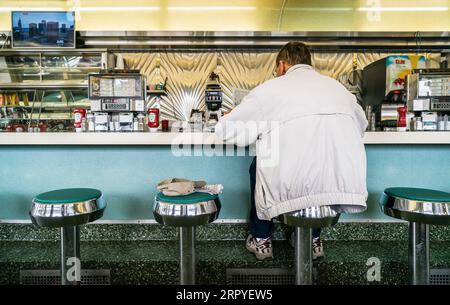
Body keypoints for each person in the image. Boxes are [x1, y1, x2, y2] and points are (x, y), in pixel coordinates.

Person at [215, 42, 368, 261]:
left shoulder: (270, 89)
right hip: (343, 181)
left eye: (276, 69)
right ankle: (312, 238)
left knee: (259, 164)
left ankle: (261, 239)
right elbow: (361, 127)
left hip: (289, 182)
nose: (277, 74)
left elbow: (226, 130)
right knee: (318, 169)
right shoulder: (338, 89)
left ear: (283, 65)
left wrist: (231, 115)